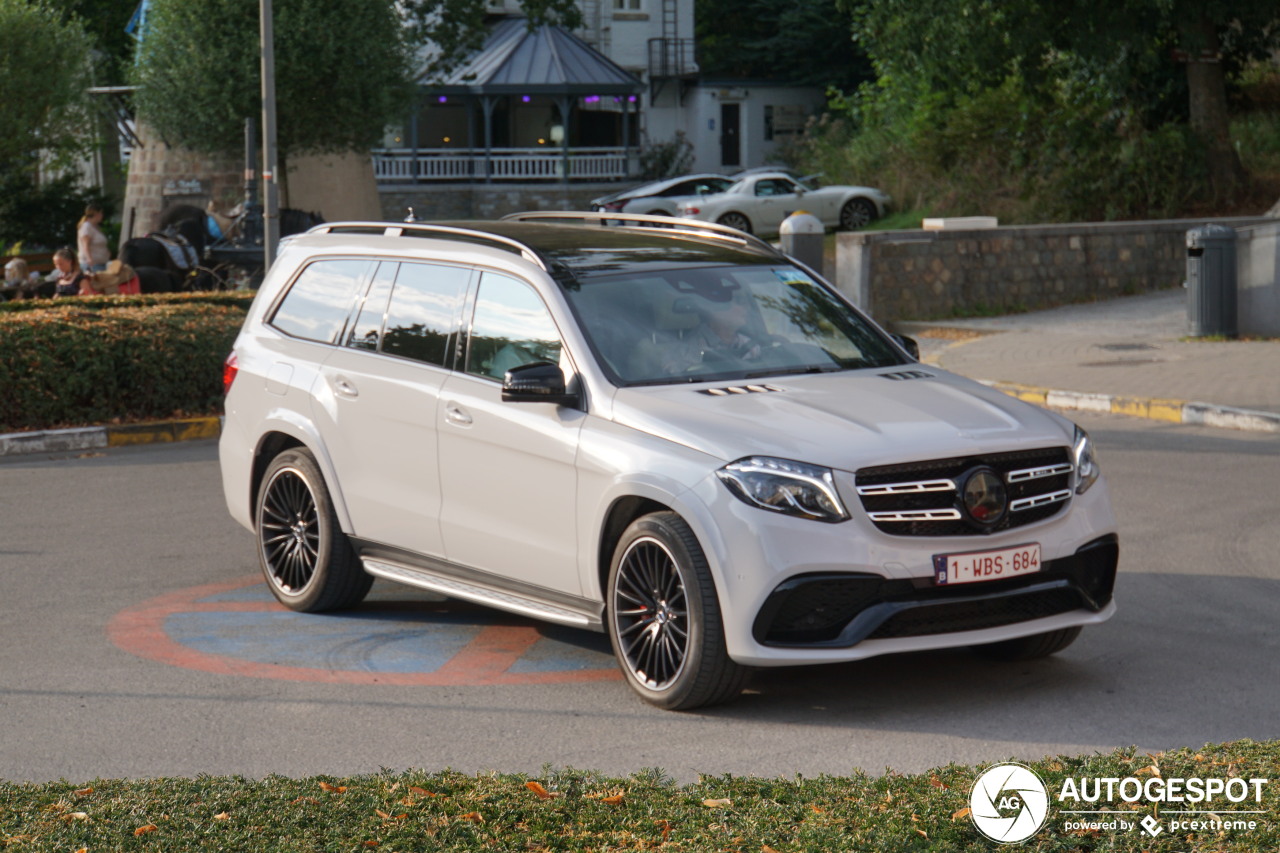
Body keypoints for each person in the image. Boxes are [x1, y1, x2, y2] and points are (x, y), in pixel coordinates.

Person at [77, 203, 110, 272]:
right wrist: (89, 259)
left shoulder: (95, 227)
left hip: (100, 263)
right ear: (96, 213)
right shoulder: (86, 227)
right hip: (93, 265)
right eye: (101, 213)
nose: (102, 215)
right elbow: (85, 245)